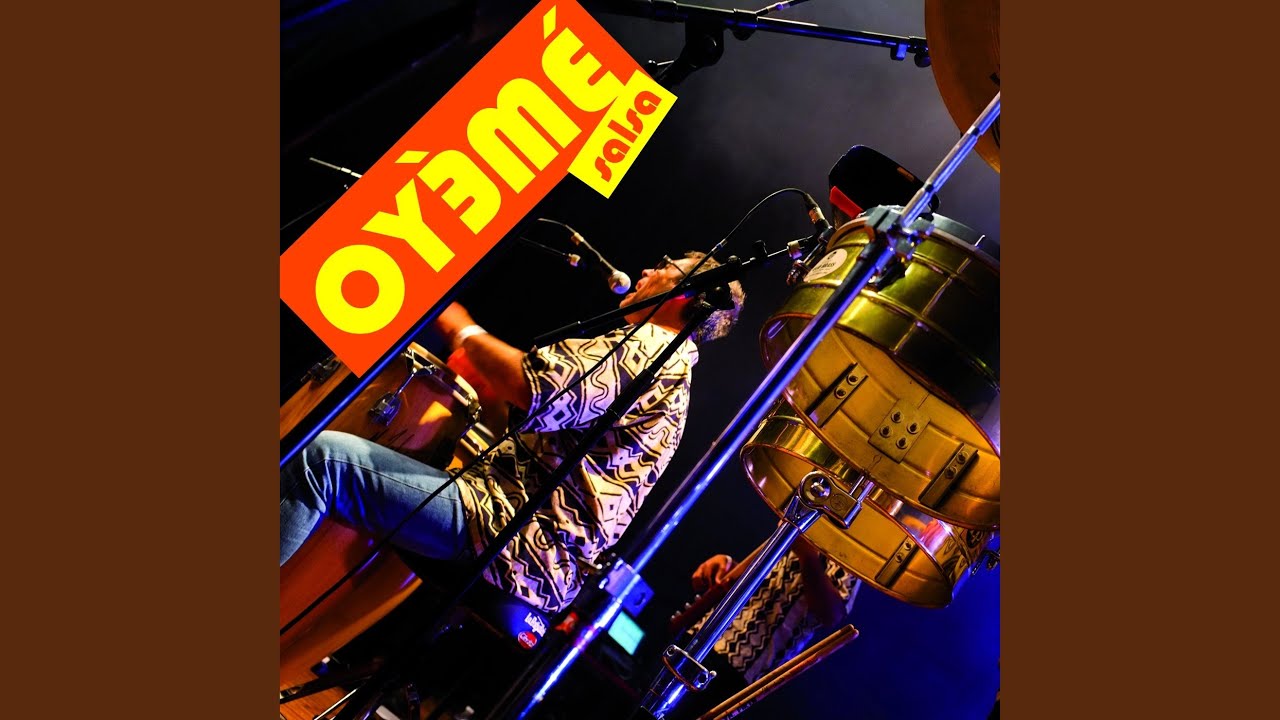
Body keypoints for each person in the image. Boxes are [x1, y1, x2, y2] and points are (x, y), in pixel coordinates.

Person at [280, 251, 744, 614]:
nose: (647, 270)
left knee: (322, 461)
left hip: (516, 540)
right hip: (540, 555)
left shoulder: (651, 347)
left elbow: (534, 387)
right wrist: (491, 389)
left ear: (687, 293)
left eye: (664, 266)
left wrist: (461, 328)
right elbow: (558, 433)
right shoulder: (676, 373)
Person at [669, 538, 861, 720]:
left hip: (743, 666)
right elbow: (771, 578)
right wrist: (730, 567)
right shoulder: (810, 519)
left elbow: (831, 614)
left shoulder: (855, 549)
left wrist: (807, 555)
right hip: (705, 634)